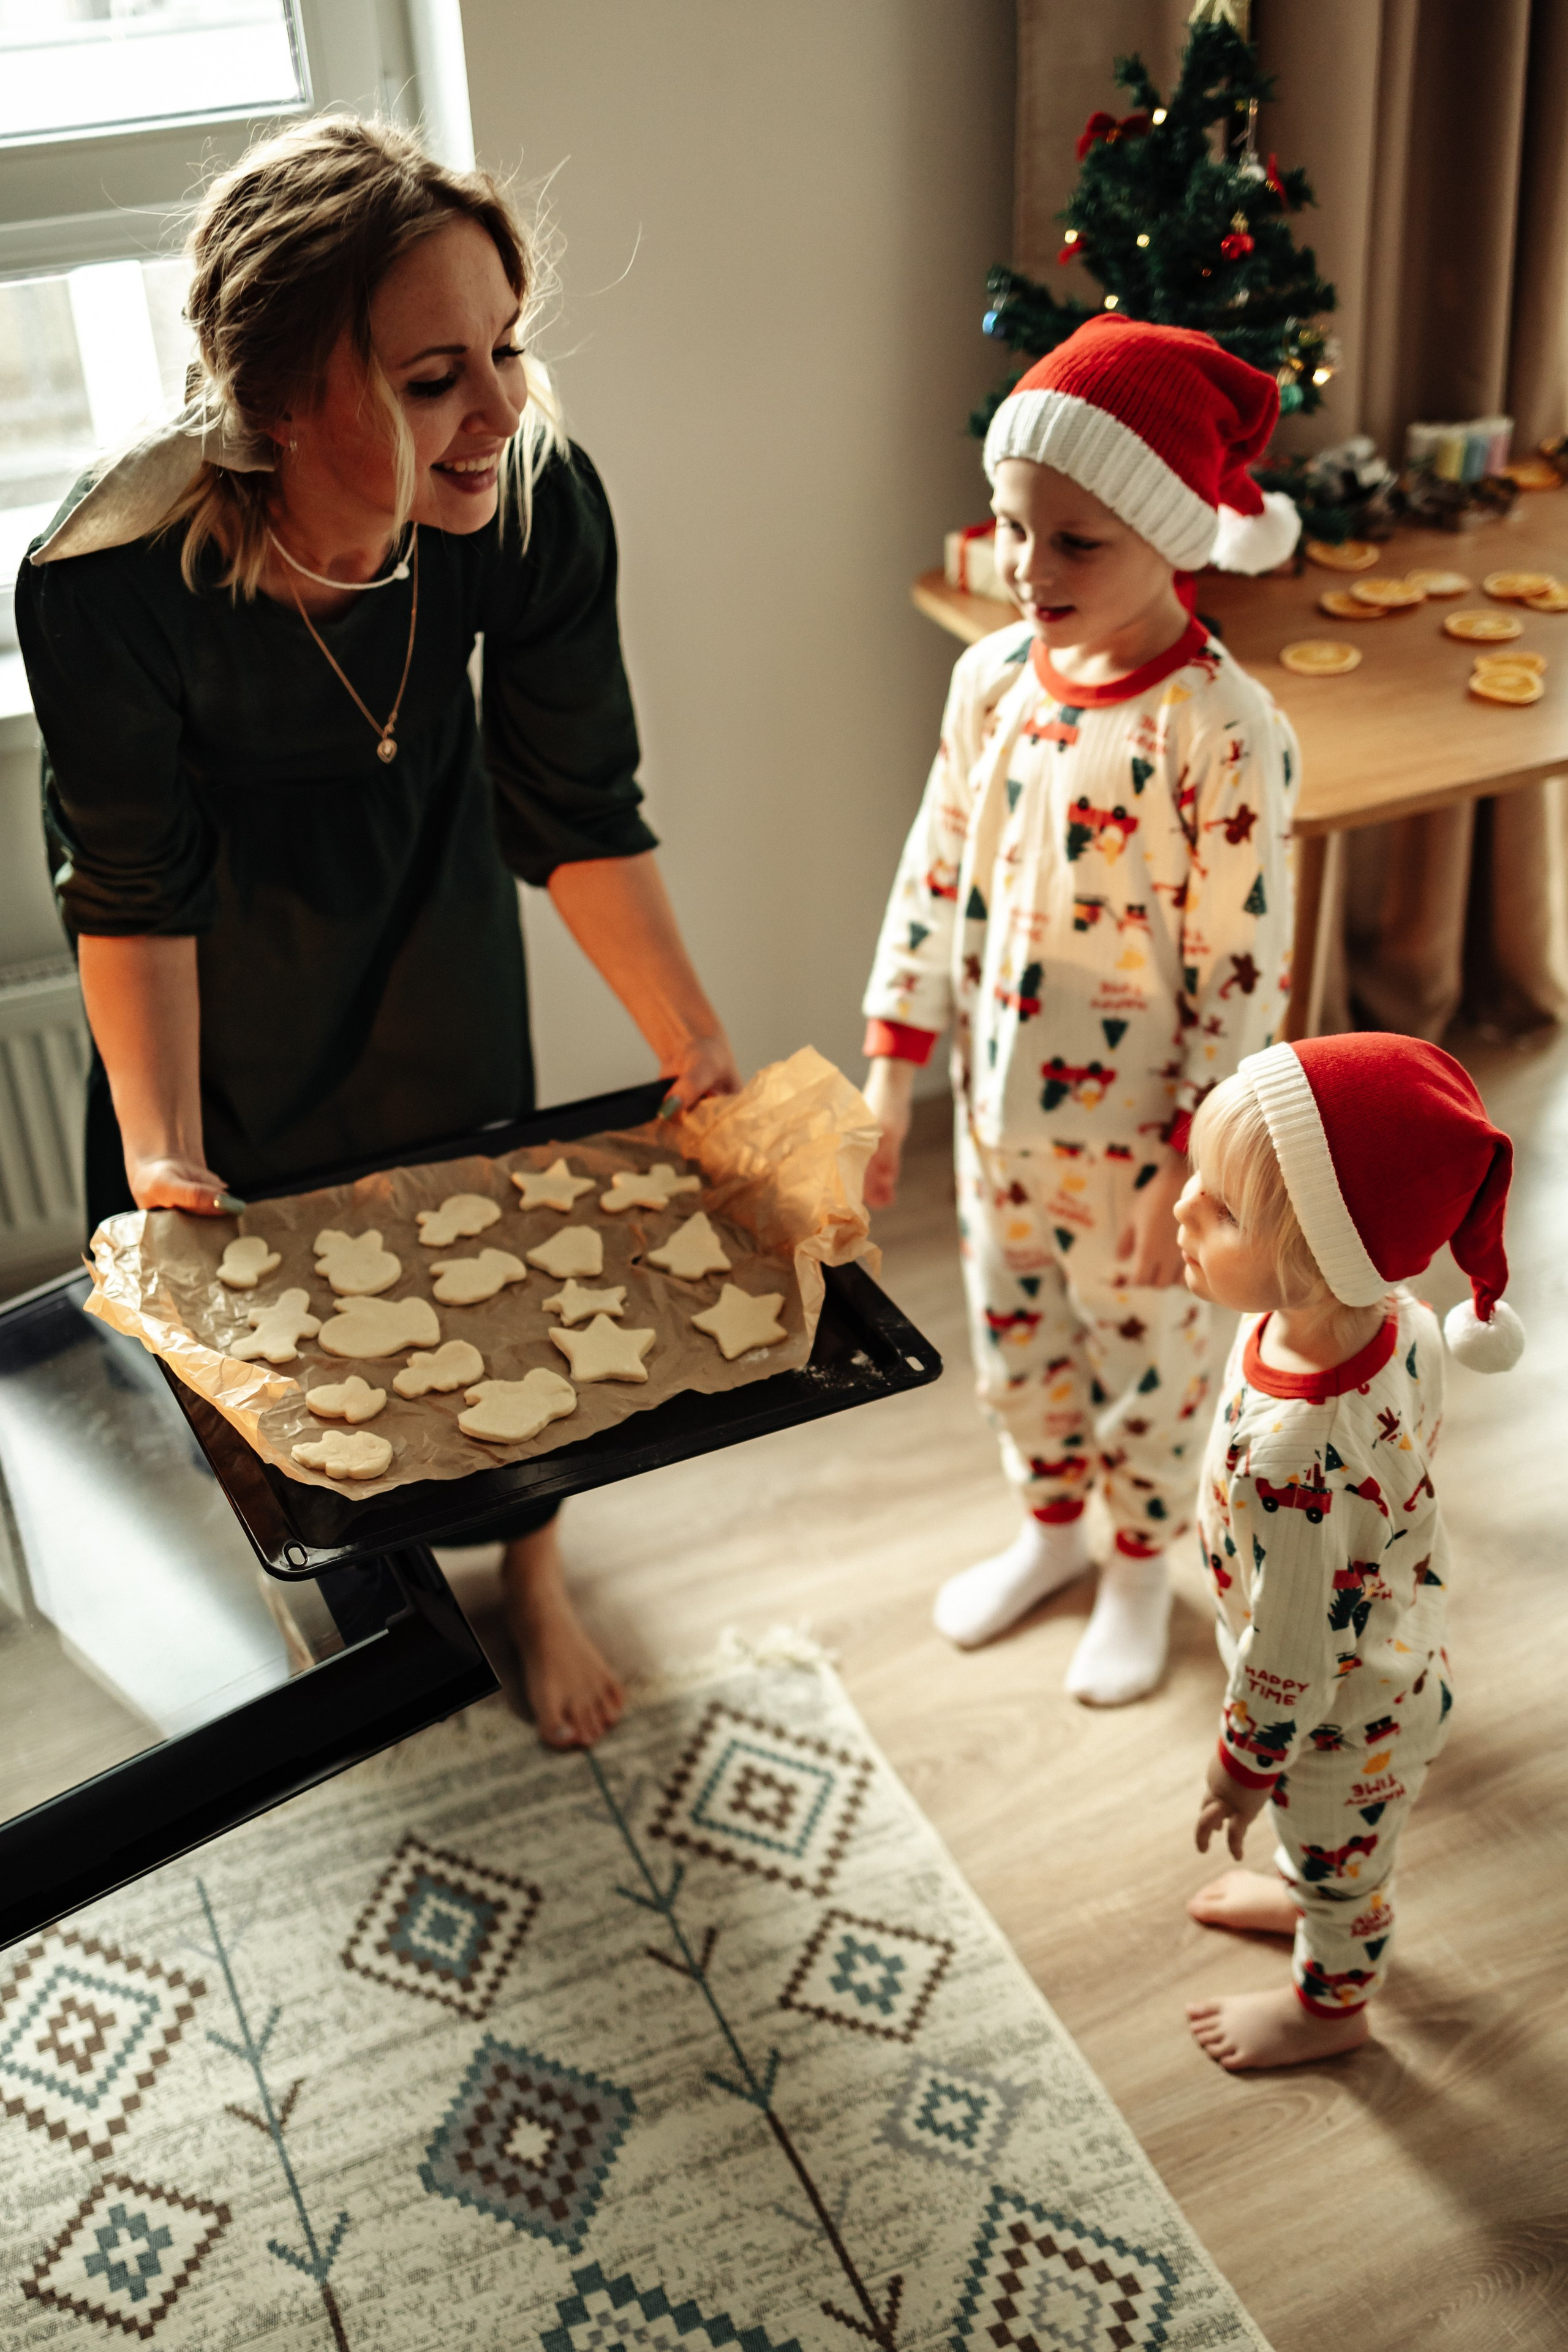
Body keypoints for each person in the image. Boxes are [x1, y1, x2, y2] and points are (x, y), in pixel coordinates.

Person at [16, 118, 737, 1750]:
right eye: (432, 378)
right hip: (215, 969)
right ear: (277, 402)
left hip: (430, 914)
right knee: (276, 1335)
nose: (498, 408)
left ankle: (532, 1573)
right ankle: (356, 1582)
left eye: (506, 347)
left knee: (503, 1305)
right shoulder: (101, 580)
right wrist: (165, 1149)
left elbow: (574, 799)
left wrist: (691, 1045)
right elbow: (130, 882)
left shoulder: (534, 496)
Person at [860, 317, 1301, 1704]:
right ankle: (1050, 1535)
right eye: (1010, 529)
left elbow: (1242, 972)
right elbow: (931, 871)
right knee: (1018, 1342)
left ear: (1169, 537)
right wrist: (888, 1075)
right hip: (996, 1134)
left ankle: (1131, 1571)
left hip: (1146, 1155)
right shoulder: (987, 680)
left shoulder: (1221, 732)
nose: (1025, 569)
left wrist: (1192, 1161)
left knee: (1149, 1365)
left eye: (1073, 542)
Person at [1177, 1033, 1521, 2068]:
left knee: (1347, 1873)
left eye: (1223, 1210)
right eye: (1199, 1180)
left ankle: (1333, 2006)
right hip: (1396, 1636)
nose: (1185, 1207)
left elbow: (1289, 1660)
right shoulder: (1394, 1317)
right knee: (1323, 1849)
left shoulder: (1298, 1460)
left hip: (1340, 1718)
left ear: (1325, 1259)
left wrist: (1240, 1767)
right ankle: (1302, 1886)